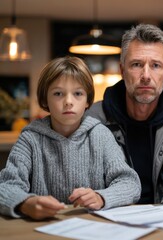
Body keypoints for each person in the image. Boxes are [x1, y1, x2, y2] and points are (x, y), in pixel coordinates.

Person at [0, 56, 141, 220]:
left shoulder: (100, 135)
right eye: (58, 93)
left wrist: (101, 197)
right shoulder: (30, 139)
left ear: (88, 101)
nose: (68, 101)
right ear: (45, 99)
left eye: (78, 93)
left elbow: (129, 183)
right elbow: (6, 187)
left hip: (92, 227)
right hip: (41, 227)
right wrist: (26, 203)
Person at [86, 23, 163, 204]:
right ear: (122, 70)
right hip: (111, 219)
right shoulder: (93, 120)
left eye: (156, 65)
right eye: (136, 64)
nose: (146, 75)